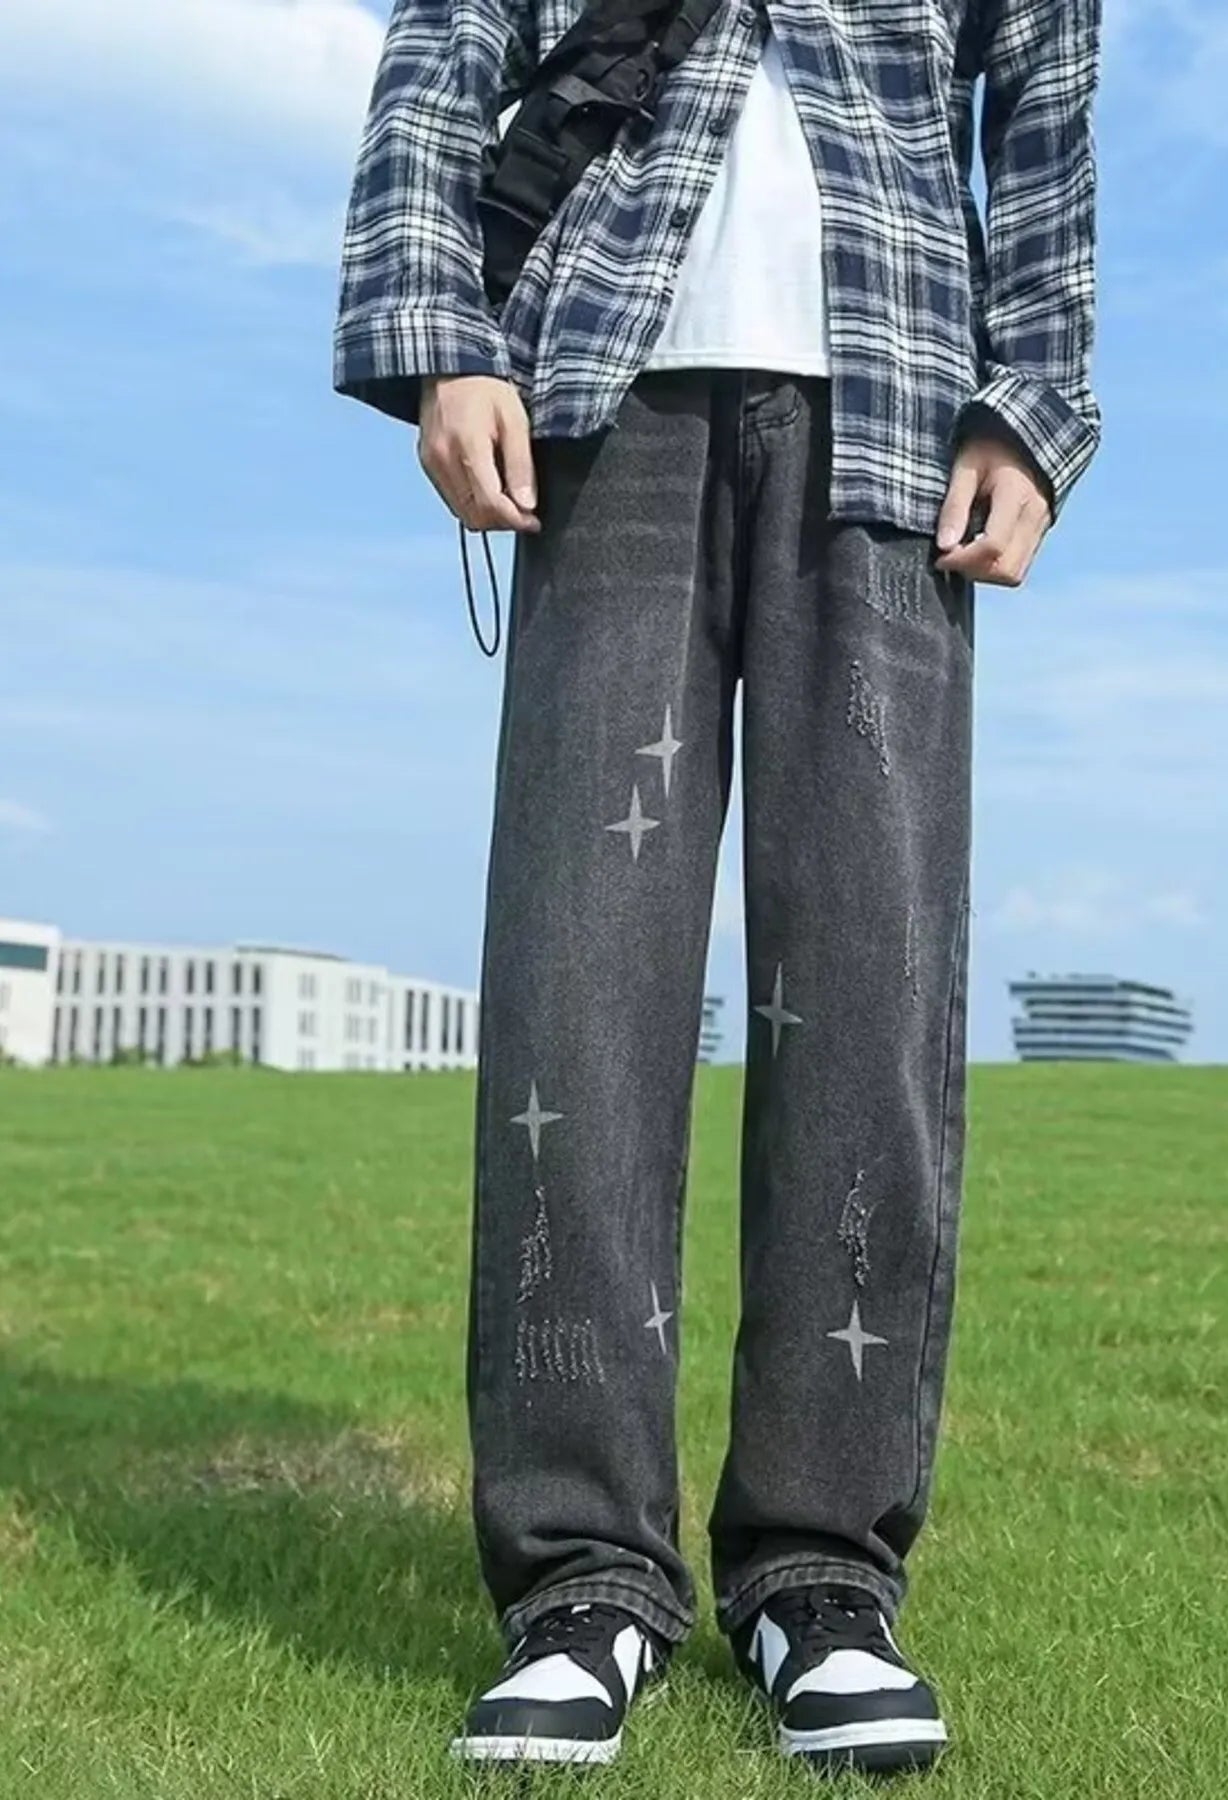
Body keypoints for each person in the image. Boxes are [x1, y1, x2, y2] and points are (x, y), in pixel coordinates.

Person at [333, 0, 1101, 1773]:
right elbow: (444, 44)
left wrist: (1035, 406)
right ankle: (581, 1577)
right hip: (601, 393)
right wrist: (439, 335)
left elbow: (1044, 109)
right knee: (577, 993)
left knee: (868, 989)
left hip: (896, 406)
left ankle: (820, 1576)